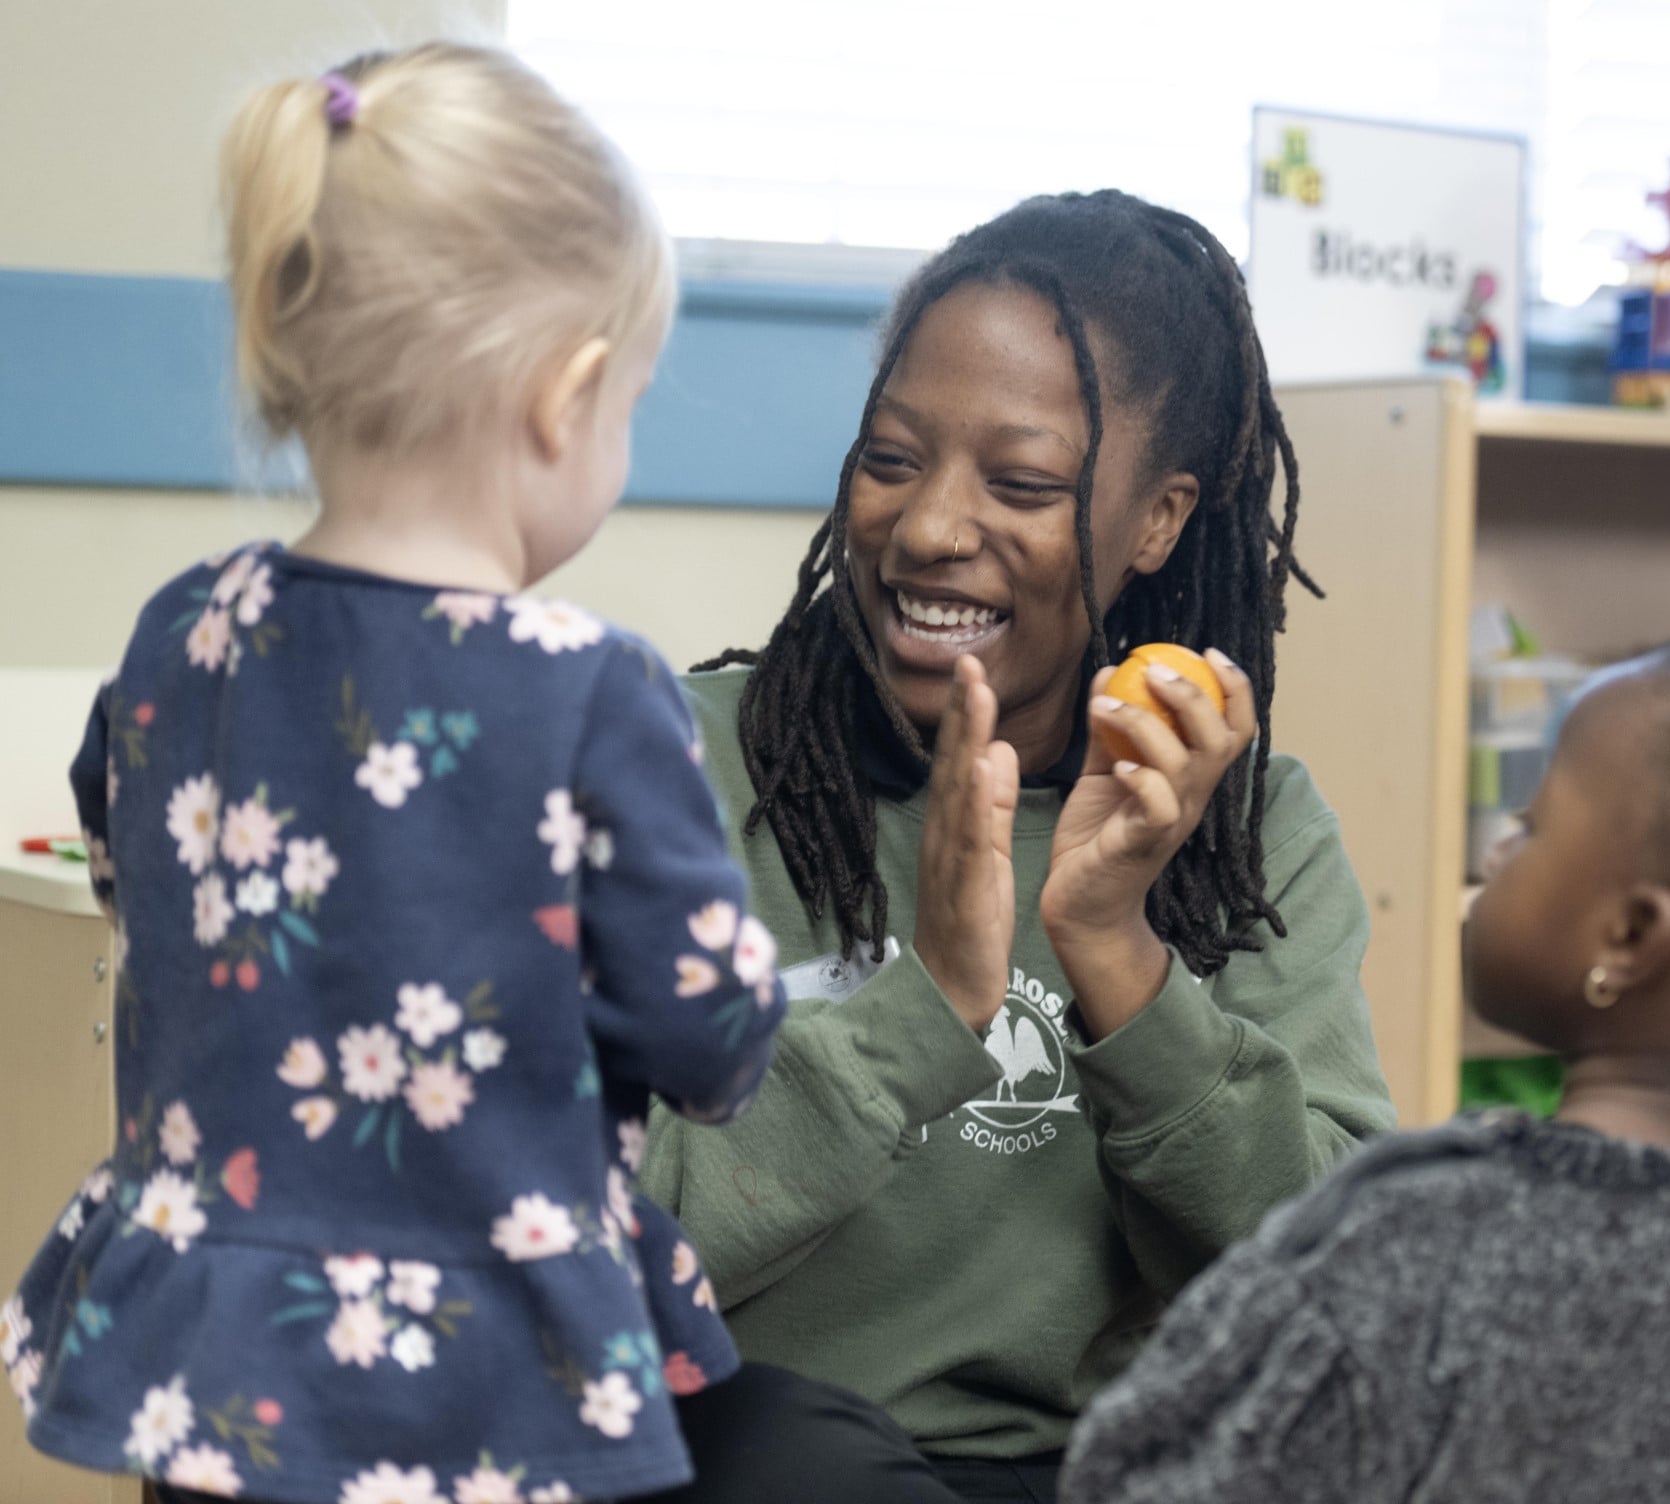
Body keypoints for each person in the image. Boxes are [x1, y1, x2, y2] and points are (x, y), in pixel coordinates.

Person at [1, 45, 786, 1503]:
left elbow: (130, 862)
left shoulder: (185, 630)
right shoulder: (589, 687)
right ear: (570, 396)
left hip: (217, 1354)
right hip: (486, 1372)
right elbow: (711, 1032)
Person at [640, 190, 1398, 1503]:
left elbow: (1329, 1291)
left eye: (1024, 484)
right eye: (889, 460)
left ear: (1156, 522)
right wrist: (919, 1009)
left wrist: (1116, 950)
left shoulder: (1247, 832)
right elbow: (590, 1235)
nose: (930, 527)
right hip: (760, 1459)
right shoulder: (669, 765)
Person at [1061, 615, 1670, 1503]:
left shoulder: (1400, 1243)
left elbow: (1136, 1478)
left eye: (1538, 823)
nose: (1505, 842)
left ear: (1629, 936)